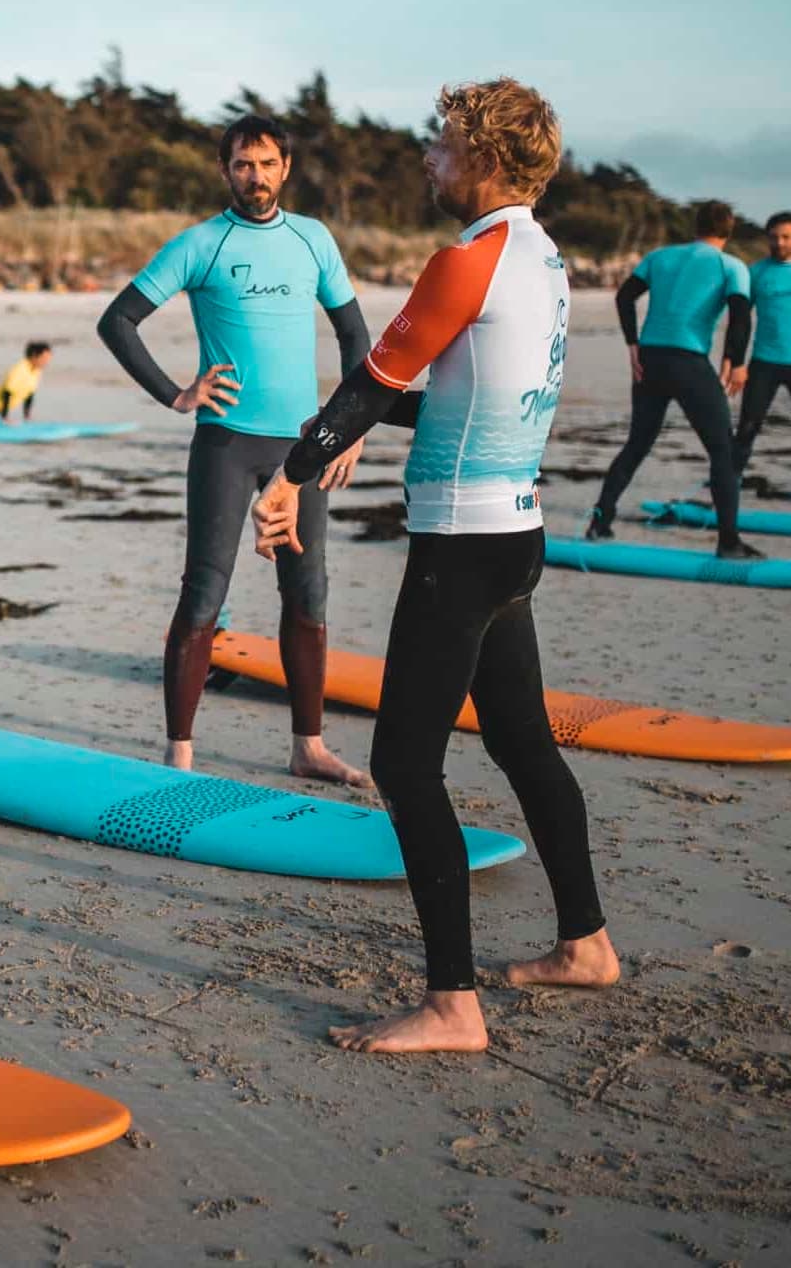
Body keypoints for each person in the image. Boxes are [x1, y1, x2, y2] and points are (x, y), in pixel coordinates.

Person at [252, 77, 616, 1056]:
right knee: (520, 740)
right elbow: (453, 392)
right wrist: (358, 423)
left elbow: (373, 382)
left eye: (443, 144)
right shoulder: (545, 259)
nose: (428, 158)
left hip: (459, 549)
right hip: (514, 538)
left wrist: (290, 474)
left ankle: (451, 1004)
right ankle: (585, 943)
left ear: (485, 159)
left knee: (404, 763)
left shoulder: (467, 259)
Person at [97, 114, 371, 786]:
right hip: (224, 442)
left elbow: (356, 339)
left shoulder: (312, 240)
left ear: (285, 168)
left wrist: (347, 428)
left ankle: (307, 746)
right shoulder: (201, 245)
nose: (255, 176)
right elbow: (117, 321)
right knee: (202, 595)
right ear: (226, 170)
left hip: (299, 450)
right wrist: (175, 393)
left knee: (306, 594)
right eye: (242, 164)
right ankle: (178, 755)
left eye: (266, 163)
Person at [587, 201, 758, 558]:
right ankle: (729, 542)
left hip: (649, 360)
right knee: (722, 451)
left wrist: (632, 344)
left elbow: (624, 297)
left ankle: (600, 521)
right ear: (729, 229)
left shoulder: (660, 257)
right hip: (688, 363)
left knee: (637, 443)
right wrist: (734, 361)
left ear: (695, 226)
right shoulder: (731, 265)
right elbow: (741, 317)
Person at [732, 210, 791, 479]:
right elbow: (740, 321)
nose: (779, 243)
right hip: (764, 362)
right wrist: (737, 364)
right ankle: (727, 487)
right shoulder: (755, 272)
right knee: (747, 428)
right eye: (774, 237)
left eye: (786, 237)